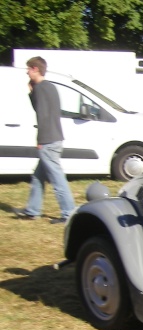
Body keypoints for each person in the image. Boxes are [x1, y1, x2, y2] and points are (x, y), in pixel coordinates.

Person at [13, 56, 75, 224]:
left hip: (48, 140)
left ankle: (69, 212)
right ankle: (32, 211)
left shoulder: (41, 88)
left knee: (57, 178)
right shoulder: (50, 87)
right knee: (38, 177)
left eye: (28, 69)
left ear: (35, 69)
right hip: (56, 138)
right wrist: (32, 92)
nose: (27, 72)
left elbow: (42, 114)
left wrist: (40, 140)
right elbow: (45, 110)